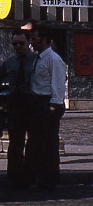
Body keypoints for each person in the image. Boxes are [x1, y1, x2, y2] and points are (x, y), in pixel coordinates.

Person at [29, 24, 66, 191]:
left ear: (44, 40)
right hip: (37, 103)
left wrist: (53, 106)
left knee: (49, 143)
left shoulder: (53, 59)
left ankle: (49, 179)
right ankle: (40, 175)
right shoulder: (39, 58)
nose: (32, 43)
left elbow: (57, 83)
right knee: (38, 142)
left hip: (48, 104)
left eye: (35, 39)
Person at [0, 28, 36, 189]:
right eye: (15, 44)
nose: (18, 46)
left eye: (21, 43)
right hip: (15, 103)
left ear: (28, 42)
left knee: (33, 143)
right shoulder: (9, 63)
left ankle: (29, 177)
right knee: (15, 143)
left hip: (32, 102)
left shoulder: (36, 61)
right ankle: (14, 179)